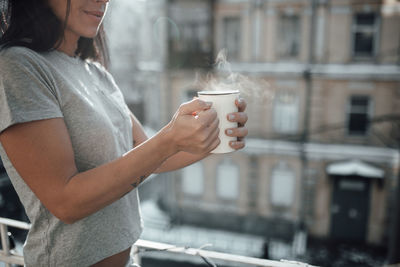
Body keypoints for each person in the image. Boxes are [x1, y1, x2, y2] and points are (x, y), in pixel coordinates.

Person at [0, 0, 248, 266]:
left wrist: (209, 137)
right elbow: (66, 202)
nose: (104, 0)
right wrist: (169, 139)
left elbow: (151, 155)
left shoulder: (95, 72)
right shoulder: (18, 66)